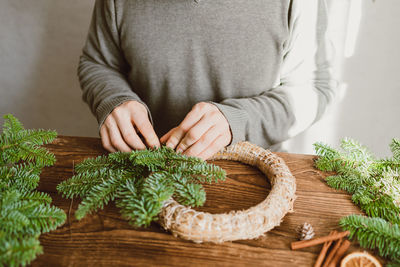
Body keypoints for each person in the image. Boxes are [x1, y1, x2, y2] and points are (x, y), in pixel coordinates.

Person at [78, 0, 336, 160]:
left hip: (257, 177)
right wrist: (113, 100)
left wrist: (238, 121)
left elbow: (314, 88)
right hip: (143, 170)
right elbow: (98, 62)